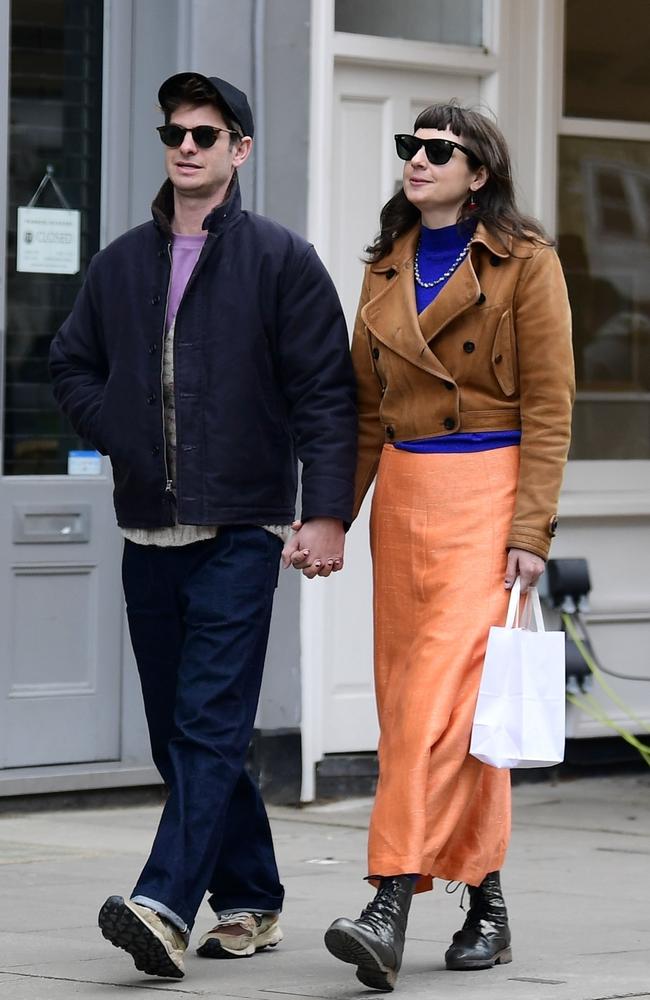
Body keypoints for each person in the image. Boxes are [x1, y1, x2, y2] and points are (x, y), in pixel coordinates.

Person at [49, 72, 356, 980]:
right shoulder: (120, 263)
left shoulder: (281, 260)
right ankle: (253, 896)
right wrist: (124, 437)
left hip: (242, 529)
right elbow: (70, 364)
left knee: (210, 723)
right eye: (175, 133)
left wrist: (327, 511)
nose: (187, 146)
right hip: (149, 532)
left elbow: (325, 397)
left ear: (240, 152)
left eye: (207, 135)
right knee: (176, 733)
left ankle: (163, 905)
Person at [322, 103, 575, 991]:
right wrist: (332, 517)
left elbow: (550, 408)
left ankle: (387, 902)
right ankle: (488, 903)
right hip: (406, 500)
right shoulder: (383, 267)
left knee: (436, 706)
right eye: (410, 147)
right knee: (422, 713)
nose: (418, 160)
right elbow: (360, 414)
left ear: (479, 171)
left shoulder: (527, 264)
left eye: (439, 149)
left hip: (489, 495)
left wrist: (530, 531)